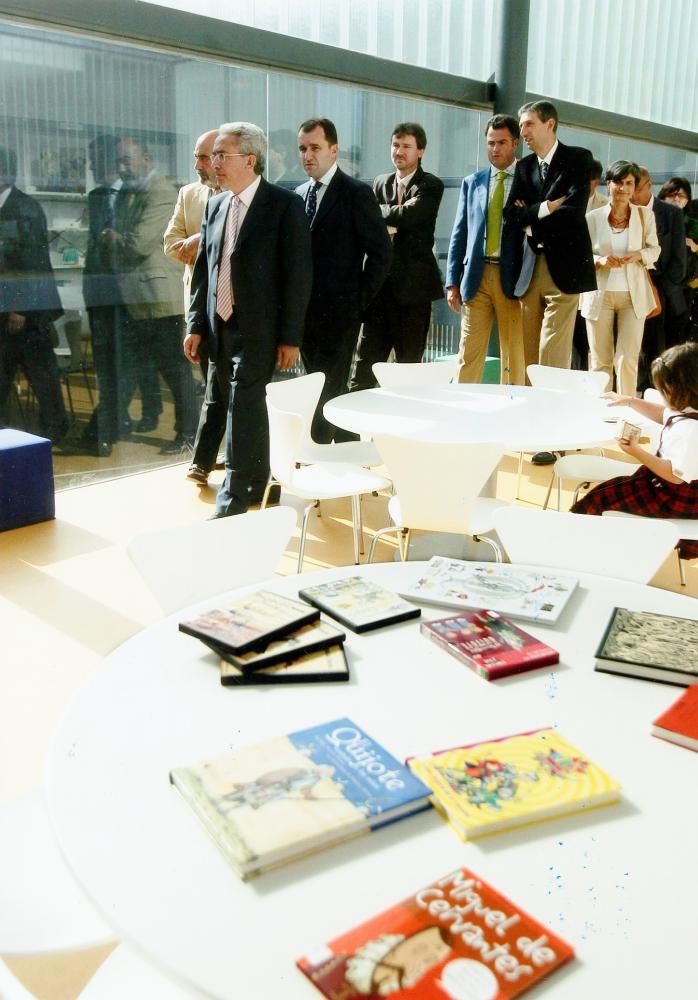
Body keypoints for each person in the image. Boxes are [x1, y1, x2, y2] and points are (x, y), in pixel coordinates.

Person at [184, 122, 312, 518]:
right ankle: (263, 489)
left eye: (222, 156)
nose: (214, 164)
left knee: (242, 412)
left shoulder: (285, 204)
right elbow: (205, 272)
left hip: (260, 331)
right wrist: (195, 325)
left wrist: (290, 337)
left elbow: (298, 276)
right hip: (218, 329)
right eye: (213, 157)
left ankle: (232, 503)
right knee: (244, 409)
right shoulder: (216, 206)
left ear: (250, 160)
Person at [296, 117, 390, 442]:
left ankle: (318, 452)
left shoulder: (355, 193)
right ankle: (346, 447)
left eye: (315, 148)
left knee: (326, 386)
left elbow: (381, 254)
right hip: (304, 315)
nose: (308, 155)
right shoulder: (298, 195)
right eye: (302, 149)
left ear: (334, 150)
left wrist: (357, 303)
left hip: (340, 312)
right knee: (319, 383)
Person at [110, 136, 198, 453]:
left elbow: (138, 243)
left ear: (145, 158)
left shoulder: (160, 192)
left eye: (127, 160)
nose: (122, 167)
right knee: (149, 368)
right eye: (119, 161)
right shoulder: (131, 191)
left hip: (159, 299)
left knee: (175, 371)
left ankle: (188, 434)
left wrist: (113, 236)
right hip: (139, 297)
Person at [571, 341, 698, 562]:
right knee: (604, 494)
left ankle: (584, 553)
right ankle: (591, 547)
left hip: (671, 496)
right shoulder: (688, 410)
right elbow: (664, 414)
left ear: (684, 389)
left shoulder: (691, 431)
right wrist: (630, 401)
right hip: (661, 485)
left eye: (664, 390)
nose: (662, 396)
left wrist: (636, 451)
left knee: (599, 500)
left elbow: (675, 476)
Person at [349, 122, 444, 391]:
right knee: (364, 370)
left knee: (408, 371)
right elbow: (371, 221)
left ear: (420, 151)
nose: (399, 151)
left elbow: (410, 216)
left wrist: (381, 212)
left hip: (413, 295)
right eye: (395, 145)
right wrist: (392, 217)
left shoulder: (430, 184)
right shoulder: (380, 182)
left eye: (406, 146)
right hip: (378, 293)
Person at [505, 100, 597, 374]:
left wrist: (530, 222)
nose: (523, 132)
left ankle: (551, 398)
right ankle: (530, 400)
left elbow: (573, 212)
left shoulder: (578, 158)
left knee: (552, 352)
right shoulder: (524, 167)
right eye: (521, 126)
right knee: (528, 355)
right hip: (530, 268)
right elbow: (511, 215)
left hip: (566, 268)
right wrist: (545, 208)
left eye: (529, 124)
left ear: (550, 124)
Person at [164, 128, 226, 483]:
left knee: (226, 388)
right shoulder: (189, 195)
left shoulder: (242, 194)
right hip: (201, 306)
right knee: (210, 384)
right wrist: (205, 241)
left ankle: (211, 457)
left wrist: (201, 239)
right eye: (196, 157)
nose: (198, 165)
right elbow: (171, 244)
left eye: (204, 157)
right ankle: (209, 458)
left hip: (237, 308)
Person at [445, 113, 525, 386]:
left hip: (512, 278)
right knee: (468, 353)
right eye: (491, 143)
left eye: (502, 143)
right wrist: (452, 282)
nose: (495, 149)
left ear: (515, 143)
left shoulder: (528, 179)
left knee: (512, 356)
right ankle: (461, 406)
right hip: (476, 277)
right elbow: (460, 233)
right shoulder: (473, 181)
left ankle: (511, 407)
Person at [0, 145, 68, 443]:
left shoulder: (24, 208)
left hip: (28, 312)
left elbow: (32, 263)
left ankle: (57, 432)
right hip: (8, 311)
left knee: (42, 377)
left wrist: (21, 309)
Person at [580, 160, 660, 396]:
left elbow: (655, 250)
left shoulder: (645, 215)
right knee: (600, 360)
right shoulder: (593, 217)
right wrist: (600, 260)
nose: (623, 188)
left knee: (627, 358)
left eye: (629, 183)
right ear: (608, 184)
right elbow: (581, 255)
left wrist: (639, 255)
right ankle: (601, 408)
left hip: (633, 296)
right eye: (618, 182)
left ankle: (626, 407)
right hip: (599, 295)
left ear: (634, 187)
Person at [81, 134, 128, 456]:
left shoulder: (134, 194)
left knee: (123, 364)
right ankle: (110, 423)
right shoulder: (96, 197)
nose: (91, 167)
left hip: (129, 294)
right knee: (106, 363)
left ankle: (107, 426)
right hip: (99, 292)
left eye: (95, 160)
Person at [632, 166, 686, 390]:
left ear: (649, 185)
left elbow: (678, 259)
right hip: (634, 285)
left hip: (663, 290)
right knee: (639, 349)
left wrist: (660, 289)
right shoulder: (626, 210)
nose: (632, 194)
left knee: (662, 352)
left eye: (637, 189)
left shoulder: (670, 213)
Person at [657, 177, 698, 342]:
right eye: (672, 195)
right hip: (659, 280)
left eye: (681, 195)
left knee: (678, 327)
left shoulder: (693, 221)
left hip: (685, 283)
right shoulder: (655, 216)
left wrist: (694, 246)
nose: (676, 199)